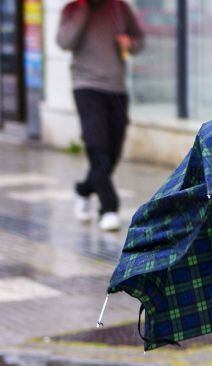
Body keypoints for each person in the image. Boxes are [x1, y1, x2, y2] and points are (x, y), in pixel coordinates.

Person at [56, 0, 144, 231]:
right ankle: (109, 207)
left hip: (116, 88)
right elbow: (65, 42)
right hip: (86, 86)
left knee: (113, 151)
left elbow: (139, 41)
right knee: (97, 144)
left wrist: (130, 43)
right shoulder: (72, 10)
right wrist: (83, 10)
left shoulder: (119, 8)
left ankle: (83, 189)